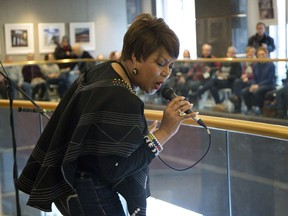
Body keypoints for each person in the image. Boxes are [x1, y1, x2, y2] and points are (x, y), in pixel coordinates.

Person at [16, 13, 198, 216]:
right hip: (91, 193)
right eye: (161, 63)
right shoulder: (120, 96)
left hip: (71, 184)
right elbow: (114, 168)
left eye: (171, 65)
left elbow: (97, 140)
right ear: (136, 57)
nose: (166, 72)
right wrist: (164, 132)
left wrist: (139, 136)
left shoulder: (102, 71)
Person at [193, 46, 242, 110]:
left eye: (232, 53)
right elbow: (219, 70)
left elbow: (238, 75)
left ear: (235, 54)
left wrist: (227, 76)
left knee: (213, 80)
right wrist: (218, 73)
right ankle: (218, 104)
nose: (230, 54)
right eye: (229, 52)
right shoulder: (224, 61)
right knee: (213, 87)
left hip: (230, 81)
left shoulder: (237, 63)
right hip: (221, 80)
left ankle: (200, 92)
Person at [242, 47, 276, 115]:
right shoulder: (255, 65)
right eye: (259, 54)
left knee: (257, 91)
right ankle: (249, 109)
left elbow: (269, 79)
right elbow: (255, 78)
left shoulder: (271, 65)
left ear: (266, 54)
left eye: (263, 54)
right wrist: (253, 84)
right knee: (245, 91)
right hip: (258, 84)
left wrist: (258, 85)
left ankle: (260, 109)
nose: (261, 56)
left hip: (269, 85)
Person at [229, 46, 256, 113]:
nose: (250, 53)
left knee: (240, 86)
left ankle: (237, 105)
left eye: (252, 52)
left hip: (253, 80)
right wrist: (244, 76)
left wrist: (247, 77)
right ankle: (237, 100)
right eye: (249, 52)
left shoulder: (256, 62)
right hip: (245, 79)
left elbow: (255, 74)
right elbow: (243, 71)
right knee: (237, 81)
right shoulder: (245, 62)